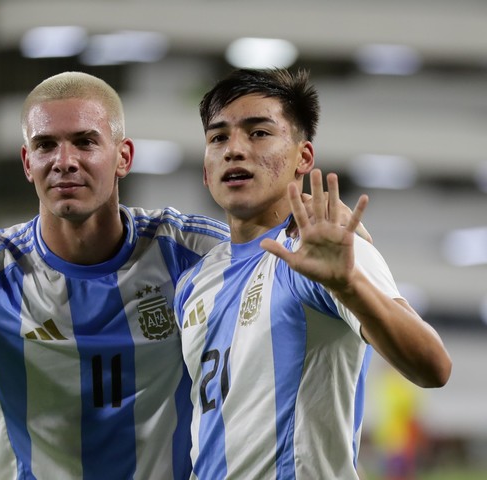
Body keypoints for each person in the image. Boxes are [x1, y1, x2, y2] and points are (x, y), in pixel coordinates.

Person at [0, 71, 366, 479]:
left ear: (123, 156)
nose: (65, 160)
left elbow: (285, 243)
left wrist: (340, 226)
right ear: (26, 163)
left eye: (85, 142)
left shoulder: (192, 249)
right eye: (45, 146)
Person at [174, 68, 452, 479]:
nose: (234, 149)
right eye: (218, 137)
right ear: (205, 169)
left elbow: (433, 366)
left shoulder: (327, 251)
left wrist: (347, 284)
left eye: (258, 133)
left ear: (303, 157)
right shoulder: (194, 283)